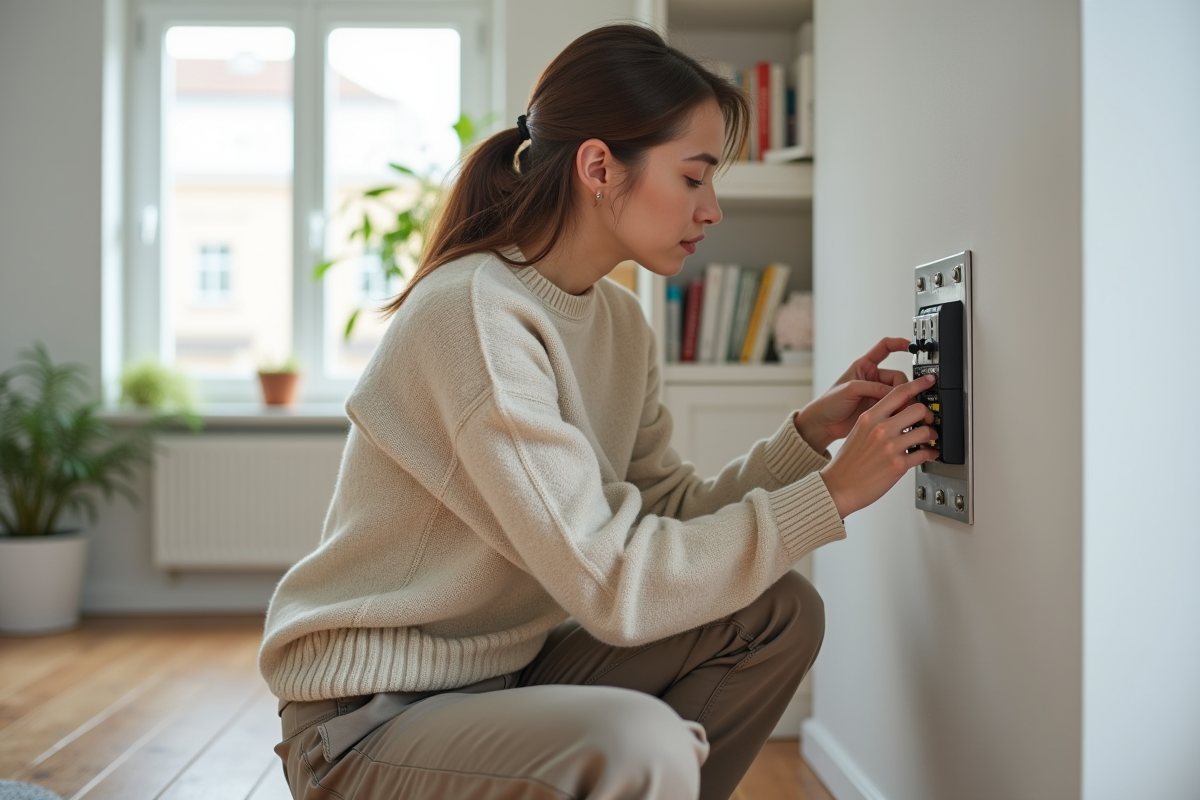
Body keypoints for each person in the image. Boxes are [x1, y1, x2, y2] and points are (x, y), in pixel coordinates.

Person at [260, 23, 939, 800]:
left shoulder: (619, 323)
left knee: (778, 611)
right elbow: (616, 584)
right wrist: (836, 496)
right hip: (367, 720)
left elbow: (664, 513)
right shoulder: (475, 314)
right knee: (640, 746)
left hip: (506, 674)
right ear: (598, 166)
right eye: (693, 178)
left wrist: (806, 443)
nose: (711, 209)